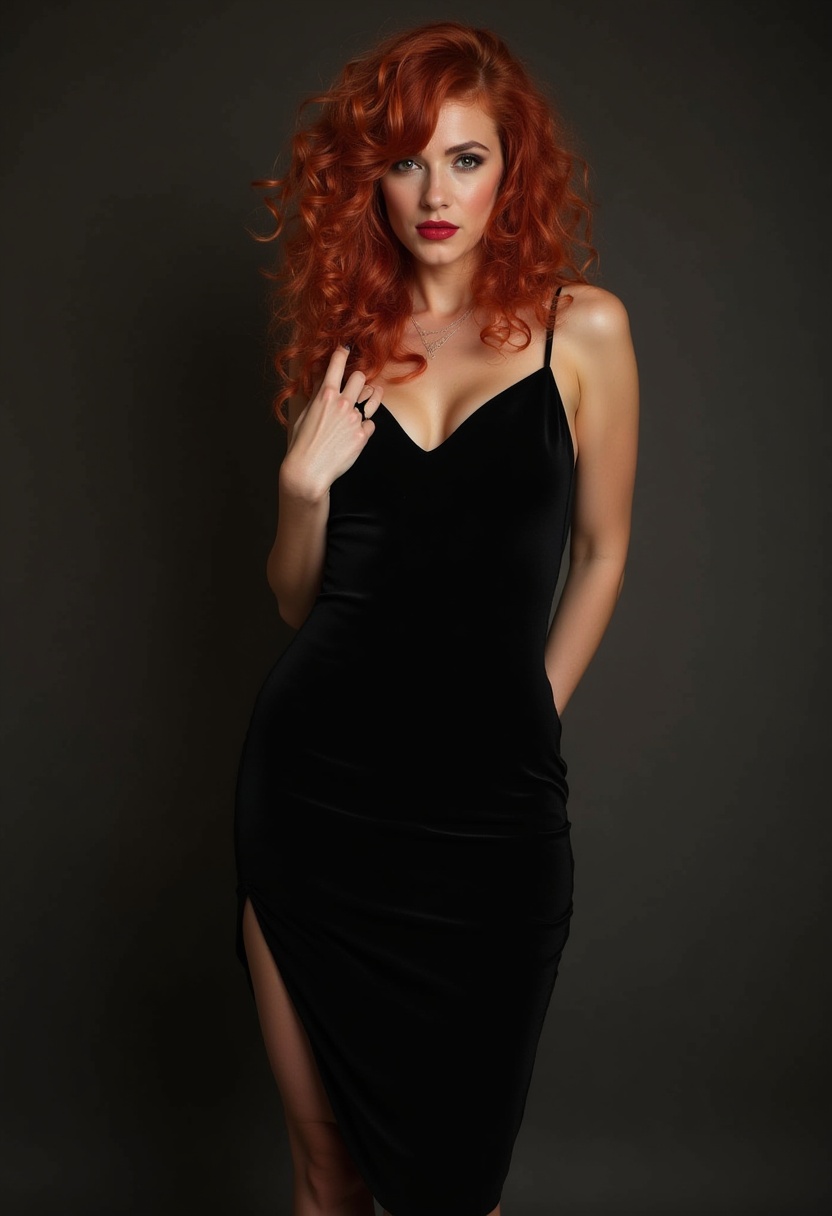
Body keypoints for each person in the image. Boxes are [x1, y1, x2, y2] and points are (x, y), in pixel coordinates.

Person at [234, 19, 639, 1216]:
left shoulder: (584, 330)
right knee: (328, 1173)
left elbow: (604, 551)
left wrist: (531, 712)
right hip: (316, 799)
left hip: (490, 818)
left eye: (465, 159)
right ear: (370, 178)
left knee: (452, 1188)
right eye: (406, 162)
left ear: (513, 170)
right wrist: (300, 490)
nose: (434, 194)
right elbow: (298, 598)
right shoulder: (344, 350)